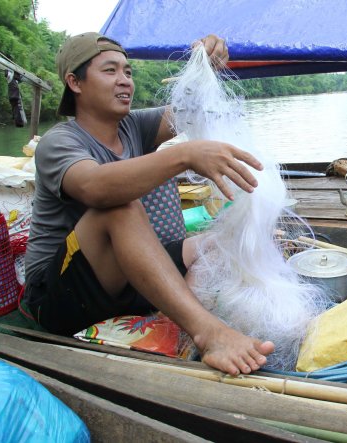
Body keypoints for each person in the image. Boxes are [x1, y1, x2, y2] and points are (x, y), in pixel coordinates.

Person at [23, 32, 274, 376]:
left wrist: (205, 67)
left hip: (122, 282)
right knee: (119, 207)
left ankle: (176, 315)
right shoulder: (58, 142)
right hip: (58, 297)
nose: (125, 80)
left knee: (214, 243)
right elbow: (95, 187)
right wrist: (185, 155)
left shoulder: (132, 127)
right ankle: (206, 331)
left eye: (128, 71)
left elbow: (189, 109)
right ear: (74, 82)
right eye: (110, 71)